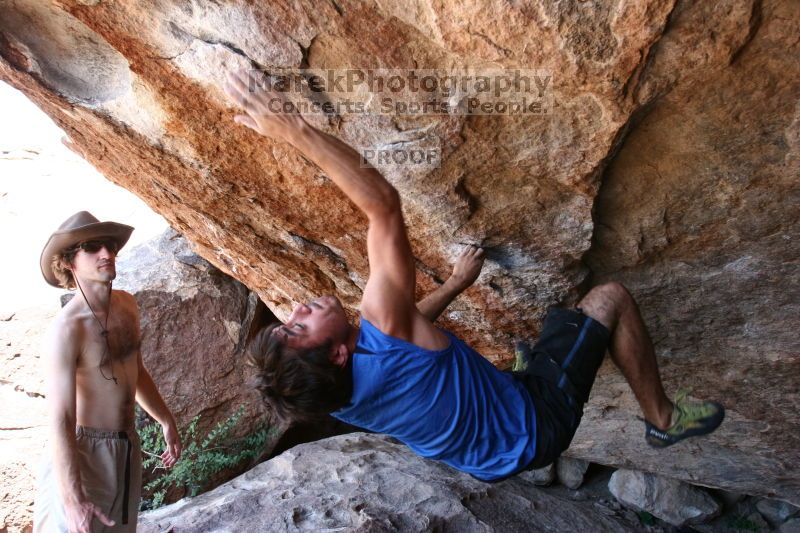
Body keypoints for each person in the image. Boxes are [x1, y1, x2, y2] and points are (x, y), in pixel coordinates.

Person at [226, 69, 725, 482]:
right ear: (337, 353)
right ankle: (661, 419)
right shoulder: (380, 324)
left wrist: (455, 285)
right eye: (297, 327)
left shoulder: (329, 395)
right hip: (536, 423)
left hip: (484, 461)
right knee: (610, 298)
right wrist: (293, 129)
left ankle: (525, 369)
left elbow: (403, 338)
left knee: (537, 337)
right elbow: (383, 207)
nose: (297, 309)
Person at [35, 211, 182, 532]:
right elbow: (60, 418)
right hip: (85, 453)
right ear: (68, 262)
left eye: (110, 246)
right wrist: (72, 501)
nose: (107, 254)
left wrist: (165, 419)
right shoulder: (66, 329)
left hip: (126, 445)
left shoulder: (127, 305)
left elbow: (136, 370)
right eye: (93, 247)